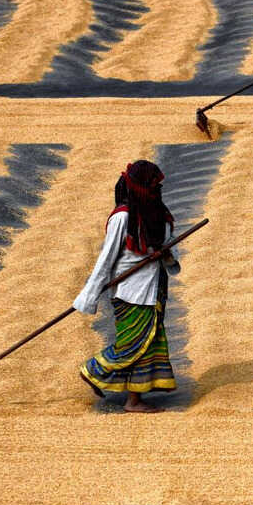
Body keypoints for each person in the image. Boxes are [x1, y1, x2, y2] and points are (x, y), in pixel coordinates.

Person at [73, 160, 179, 413]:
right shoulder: (122, 217)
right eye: (154, 185)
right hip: (129, 291)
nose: (158, 189)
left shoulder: (161, 215)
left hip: (155, 289)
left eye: (159, 185)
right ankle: (94, 370)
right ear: (141, 186)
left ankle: (134, 400)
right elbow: (106, 259)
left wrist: (164, 254)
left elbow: (171, 254)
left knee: (148, 344)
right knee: (132, 344)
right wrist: (89, 296)